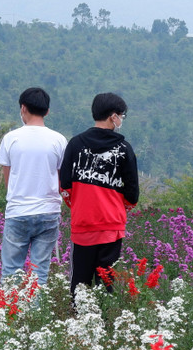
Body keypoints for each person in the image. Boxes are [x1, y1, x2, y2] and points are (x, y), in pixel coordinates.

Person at [60, 92, 139, 295]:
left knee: (80, 284)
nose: (121, 119)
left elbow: (65, 186)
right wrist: (118, 207)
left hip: (82, 224)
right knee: (107, 283)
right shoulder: (124, 149)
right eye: (121, 115)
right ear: (113, 116)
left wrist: (80, 204)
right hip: (112, 225)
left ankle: (78, 314)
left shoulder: (75, 144)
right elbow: (132, 192)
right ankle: (105, 315)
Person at [0, 87, 69, 286]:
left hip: (18, 211)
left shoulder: (11, 138)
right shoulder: (59, 140)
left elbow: (8, 179)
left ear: (23, 108)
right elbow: (62, 180)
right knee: (39, 273)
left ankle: (11, 306)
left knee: (11, 272)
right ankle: (36, 306)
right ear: (47, 111)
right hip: (49, 212)